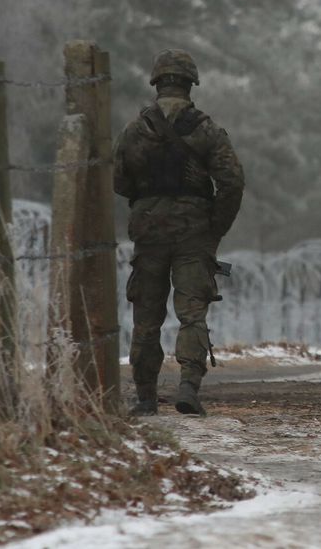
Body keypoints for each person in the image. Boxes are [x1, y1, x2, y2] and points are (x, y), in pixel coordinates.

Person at [113, 49, 244, 417]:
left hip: (149, 233)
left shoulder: (135, 130)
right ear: (190, 84)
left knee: (146, 316)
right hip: (193, 234)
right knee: (192, 313)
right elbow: (232, 182)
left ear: (156, 83)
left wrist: (150, 198)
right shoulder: (206, 130)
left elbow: (119, 182)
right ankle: (188, 387)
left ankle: (145, 397)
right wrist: (214, 227)